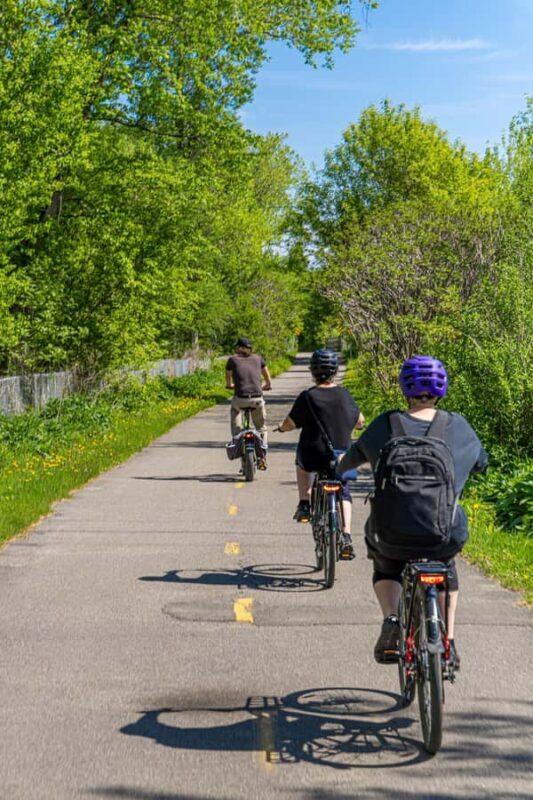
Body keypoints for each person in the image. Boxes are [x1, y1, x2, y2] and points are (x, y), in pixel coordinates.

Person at [338, 355, 488, 666]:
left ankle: (391, 618)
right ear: (442, 388)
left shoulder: (385, 424)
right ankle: (448, 641)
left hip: (391, 535)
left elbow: (350, 460)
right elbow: (481, 463)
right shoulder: (459, 426)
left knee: (386, 566)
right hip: (442, 533)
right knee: (446, 566)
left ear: (404, 388)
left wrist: (339, 465)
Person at [276, 349, 365, 559]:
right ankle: (347, 536)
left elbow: (290, 423)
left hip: (313, 455)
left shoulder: (307, 397)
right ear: (335, 371)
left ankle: (304, 503)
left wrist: (281, 428)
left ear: (312, 371)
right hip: (341, 456)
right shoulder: (345, 394)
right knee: (344, 491)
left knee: (301, 463)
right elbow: (360, 421)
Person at [225, 337, 272, 468]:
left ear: (238, 348)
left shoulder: (232, 360)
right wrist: (267, 385)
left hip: (240, 399)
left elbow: (228, 378)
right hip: (257, 399)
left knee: (235, 414)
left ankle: (238, 439)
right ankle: (262, 456)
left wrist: (229, 385)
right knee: (261, 428)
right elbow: (267, 377)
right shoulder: (258, 359)